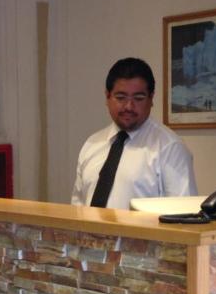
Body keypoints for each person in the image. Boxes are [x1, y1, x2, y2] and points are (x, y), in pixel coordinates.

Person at [71, 57, 196, 209]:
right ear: (107, 97)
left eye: (138, 98)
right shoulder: (91, 144)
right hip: (88, 233)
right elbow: (77, 208)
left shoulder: (170, 148)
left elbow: (183, 216)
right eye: (120, 97)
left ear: (151, 99)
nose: (129, 106)